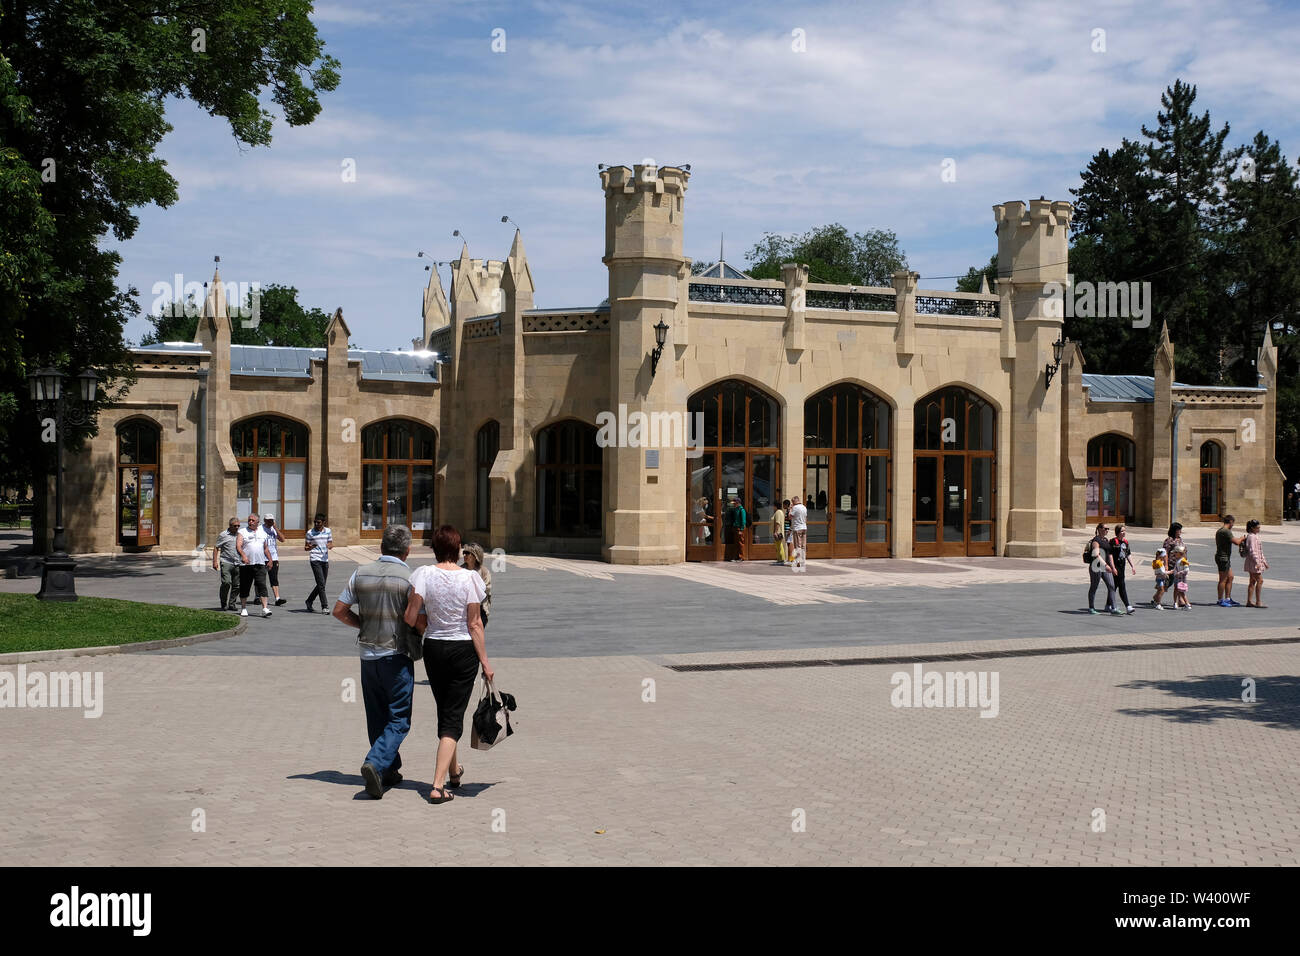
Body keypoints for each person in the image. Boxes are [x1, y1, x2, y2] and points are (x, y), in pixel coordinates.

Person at [331, 524, 424, 799]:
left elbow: (339, 610)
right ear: (407, 551)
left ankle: (388, 770)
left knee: (377, 716)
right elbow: (418, 619)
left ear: (381, 547)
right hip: (396, 655)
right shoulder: (410, 578)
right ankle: (374, 762)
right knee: (399, 719)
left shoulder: (360, 572)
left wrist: (362, 623)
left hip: (367, 655)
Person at [404, 525, 493, 805]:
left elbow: (411, 616)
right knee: (454, 717)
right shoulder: (470, 578)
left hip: (434, 648)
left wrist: (426, 624)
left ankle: (454, 771)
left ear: (434, 549)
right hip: (462, 650)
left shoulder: (423, 574)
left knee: (446, 710)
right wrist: (486, 663)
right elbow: (475, 623)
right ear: (457, 550)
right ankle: (438, 785)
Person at [235, 513, 273, 618]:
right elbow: (238, 546)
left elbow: (265, 548)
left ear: (257, 522)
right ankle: (243, 608)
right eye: (249, 520)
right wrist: (243, 555)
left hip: (260, 564)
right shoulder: (242, 532)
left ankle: (265, 608)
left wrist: (270, 560)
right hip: (246, 564)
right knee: (245, 586)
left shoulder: (262, 533)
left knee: (262, 585)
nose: (250, 522)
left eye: (252, 520)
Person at [1086, 522, 1123, 616]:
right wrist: (1105, 565)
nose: (1107, 530)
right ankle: (1091, 607)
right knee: (1094, 587)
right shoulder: (1096, 540)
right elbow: (1096, 554)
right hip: (1096, 567)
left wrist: (1113, 567)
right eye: (1105, 529)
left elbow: (1110, 555)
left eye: (1108, 529)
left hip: (1105, 567)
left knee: (1111, 586)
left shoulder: (1106, 540)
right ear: (1099, 529)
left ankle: (1114, 607)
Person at [304, 513, 334, 612]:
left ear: (323, 523)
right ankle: (324, 606)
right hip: (315, 559)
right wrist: (310, 547)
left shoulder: (328, 531)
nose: (316, 524)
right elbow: (306, 547)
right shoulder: (310, 533)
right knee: (321, 584)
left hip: (324, 559)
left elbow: (330, 542)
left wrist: (330, 546)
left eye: (318, 522)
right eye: (315, 522)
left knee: (322, 584)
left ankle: (309, 601)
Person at [1215, 514, 1245, 607]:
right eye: (1233, 523)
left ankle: (1228, 598)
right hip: (1223, 558)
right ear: (1231, 522)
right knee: (1223, 580)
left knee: (1230, 577)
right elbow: (1236, 542)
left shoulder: (1220, 531)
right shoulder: (1226, 531)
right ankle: (1220, 600)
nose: (1233, 525)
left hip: (1224, 557)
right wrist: (1242, 538)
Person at [211, 516, 241, 610]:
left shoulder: (240, 535)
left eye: (238, 526)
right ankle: (223, 603)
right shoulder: (223, 535)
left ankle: (232, 603)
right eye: (235, 526)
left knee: (237, 585)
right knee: (226, 583)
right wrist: (215, 561)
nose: (237, 528)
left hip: (238, 563)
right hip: (226, 561)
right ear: (230, 526)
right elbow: (216, 547)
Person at [462, 542, 493, 628]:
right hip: (464, 610)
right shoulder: (461, 570)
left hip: (480, 609)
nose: (464, 555)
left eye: (467, 553)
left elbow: (486, 589)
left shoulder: (484, 571)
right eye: (463, 553)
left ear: (475, 556)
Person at [1109, 524, 1137, 613]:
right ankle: (1128, 606)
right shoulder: (1113, 541)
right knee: (1121, 585)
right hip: (1115, 566)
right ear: (1117, 532)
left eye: (1124, 531)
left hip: (1122, 566)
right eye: (1122, 531)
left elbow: (1128, 554)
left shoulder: (1125, 542)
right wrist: (1113, 568)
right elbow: (1110, 556)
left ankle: (1108, 604)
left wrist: (1132, 566)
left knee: (1115, 586)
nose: (1123, 532)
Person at [1243, 519, 1269, 608]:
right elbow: (1252, 551)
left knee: (1252, 581)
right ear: (1252, 528)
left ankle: (1249, 601)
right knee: (1260, 580)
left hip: (1253, 562)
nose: (1259, 529)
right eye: (1257, 528)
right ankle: (1258, 602)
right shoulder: (1252, 537)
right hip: (1253, 562)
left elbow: (1260, 551)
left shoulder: (1254, 536)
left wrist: (1264, 561)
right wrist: (1258, 562)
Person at [263, 513, 288, 607]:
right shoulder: (260, 529)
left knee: (274, 578)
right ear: (264, 520)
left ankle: (277, 598)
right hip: (262, 557)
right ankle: (258, 596)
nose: (270, 522)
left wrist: (276, 528)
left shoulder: (274, 529)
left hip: (273, 557)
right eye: (268, 520)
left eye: (272, 520)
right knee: (260, 578)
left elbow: (282, 539)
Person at [789, 495, 808, 566]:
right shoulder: (804, 507)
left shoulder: (795, 508)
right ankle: (803, 561)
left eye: (792, 502)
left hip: (797, 528)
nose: (792, 503)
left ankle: (798, 562)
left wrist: (791, 508)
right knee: (803, 545)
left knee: (798, 545)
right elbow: (806, 518)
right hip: (804, 528)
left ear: (794, 501)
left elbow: (790, 517)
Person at [1171, 545, 1191, 609]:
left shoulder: (1183, 561)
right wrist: (1173, 571)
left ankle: (1186, 604)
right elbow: (1175, 568)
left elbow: (1186, 570)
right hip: (1177, 578)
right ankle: (1175, 603)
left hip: (1181, 579)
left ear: (1180, 553)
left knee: (1181, 591)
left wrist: (1180, 572)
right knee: (1176, 590)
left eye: (1175, 553)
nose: (1174, 554)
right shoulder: (1178, 560)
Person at [772, 500, 787, 565]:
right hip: (779, 532)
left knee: (779, 546)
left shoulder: (778, 512)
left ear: (775, 506)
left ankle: (781, 560)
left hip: (778, 532)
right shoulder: (780, 512)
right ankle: (779, 559)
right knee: (778, 546)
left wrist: (775, 532)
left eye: (773, 506)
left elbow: (778, 523)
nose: (773, 507)